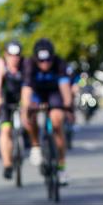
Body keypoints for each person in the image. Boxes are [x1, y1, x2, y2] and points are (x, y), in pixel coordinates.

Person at [21, 38, 74, 185]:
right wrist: (26, 109)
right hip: (37, 93)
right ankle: (36, 145)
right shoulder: (29, 65)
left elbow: (65, 88)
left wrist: (68, 105)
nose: (45, 64)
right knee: (30, 115)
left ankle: (61, 167)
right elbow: (26, 90)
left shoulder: (59, 63)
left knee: (57, 121)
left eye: (48, 61)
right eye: (41, 61)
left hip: (54, 93)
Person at [0, 40, 26, 180]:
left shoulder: (25, 65)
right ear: (5, 55)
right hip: (6, 100)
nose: (14, 58)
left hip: (22, 100)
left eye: (17, 55)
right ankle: (7, 164)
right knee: (5, 130)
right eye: (11, 55)